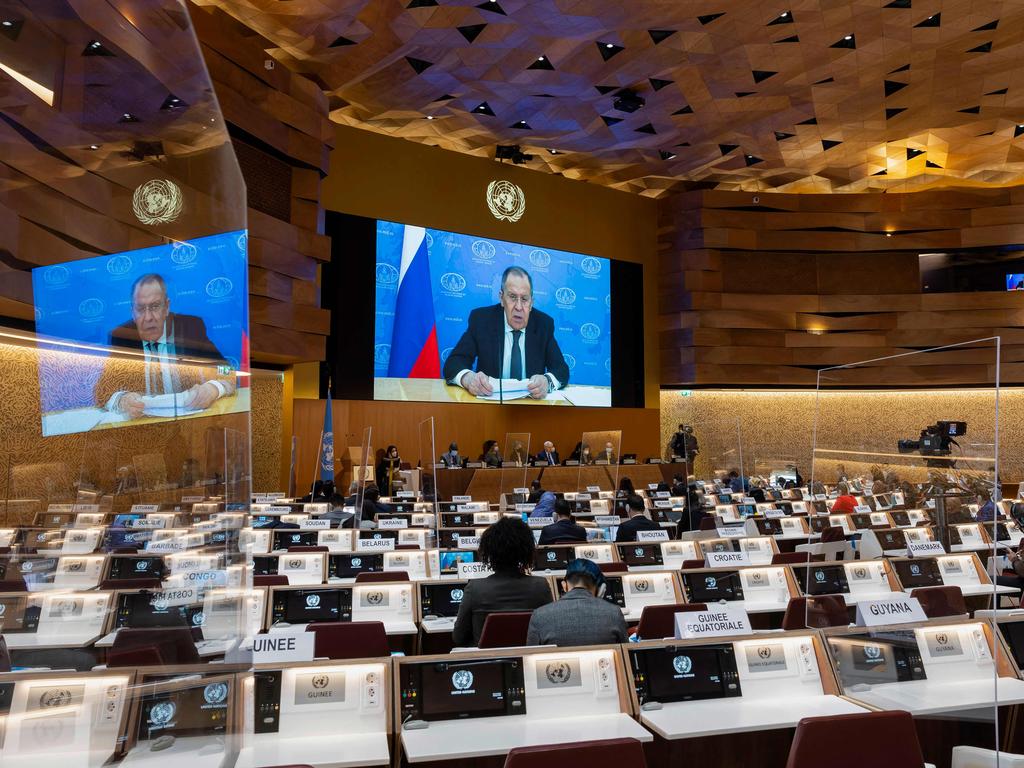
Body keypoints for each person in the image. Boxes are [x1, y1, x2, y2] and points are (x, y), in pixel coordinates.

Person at [94, 273, 236, 417]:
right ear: (132, 312)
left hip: (188, 425)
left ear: (167, 307)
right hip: (144, 428)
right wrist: (121, 400)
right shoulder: (122, 336)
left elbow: (225, 370)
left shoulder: (191, 328)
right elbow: (102, 392)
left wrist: (213, 388)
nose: (148, 317)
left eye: (155, 306)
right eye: (141, 309)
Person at [443, 266, 570, 399]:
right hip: (490, 407)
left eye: (525, 299)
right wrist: (468, 379)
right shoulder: (481, 320)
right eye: (512, 297)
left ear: (531, 303)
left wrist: (547, 382)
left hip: (531, 408)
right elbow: (454, 362)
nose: (519, 307)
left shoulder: (543, 324)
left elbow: (561, 369)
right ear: (501, 298)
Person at [451, 517, 553, 646]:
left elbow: (458, 637)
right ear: (527, 550)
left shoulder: (475, 588)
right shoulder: (541, 586)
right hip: (528, 661)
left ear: (489, 552)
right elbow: (549, 630)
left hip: (489, 662)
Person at [525, 559, 628, 647]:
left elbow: (531, 656)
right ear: (601, 590)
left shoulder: (539, 615)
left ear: (564, 586)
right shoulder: (614, 613)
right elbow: (625, 654)